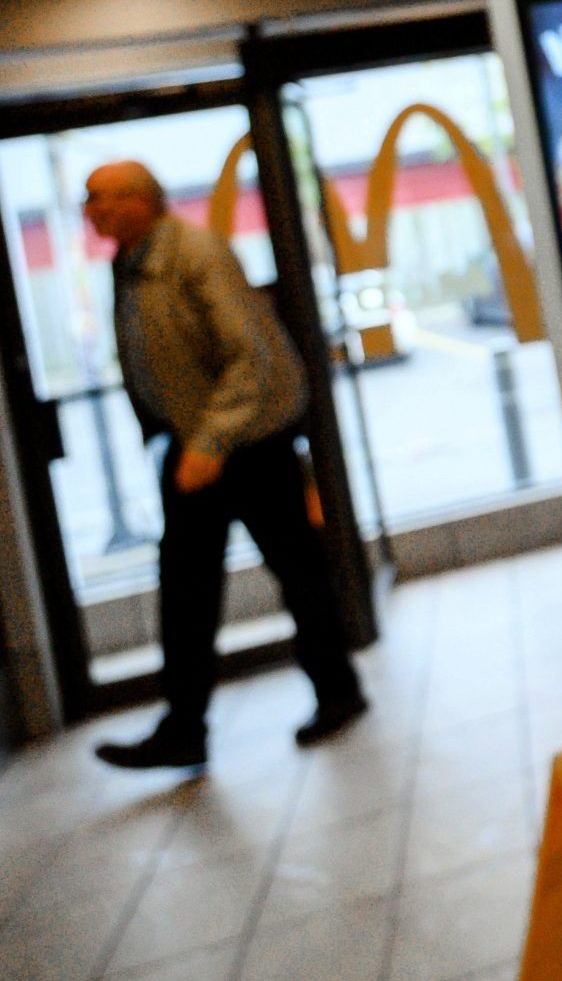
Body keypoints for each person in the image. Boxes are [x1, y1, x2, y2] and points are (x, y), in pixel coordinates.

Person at [83, 160, 366, 770]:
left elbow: (249, 356)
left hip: (244, 443)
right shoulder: (130, 264)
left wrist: (210, 443)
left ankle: (338, 692)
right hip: (193, 445)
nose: (91, 210)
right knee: (186, 591)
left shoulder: (195, 255)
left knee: (297, 570)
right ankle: (184, 728)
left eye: (100, 197)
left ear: (141, 201)